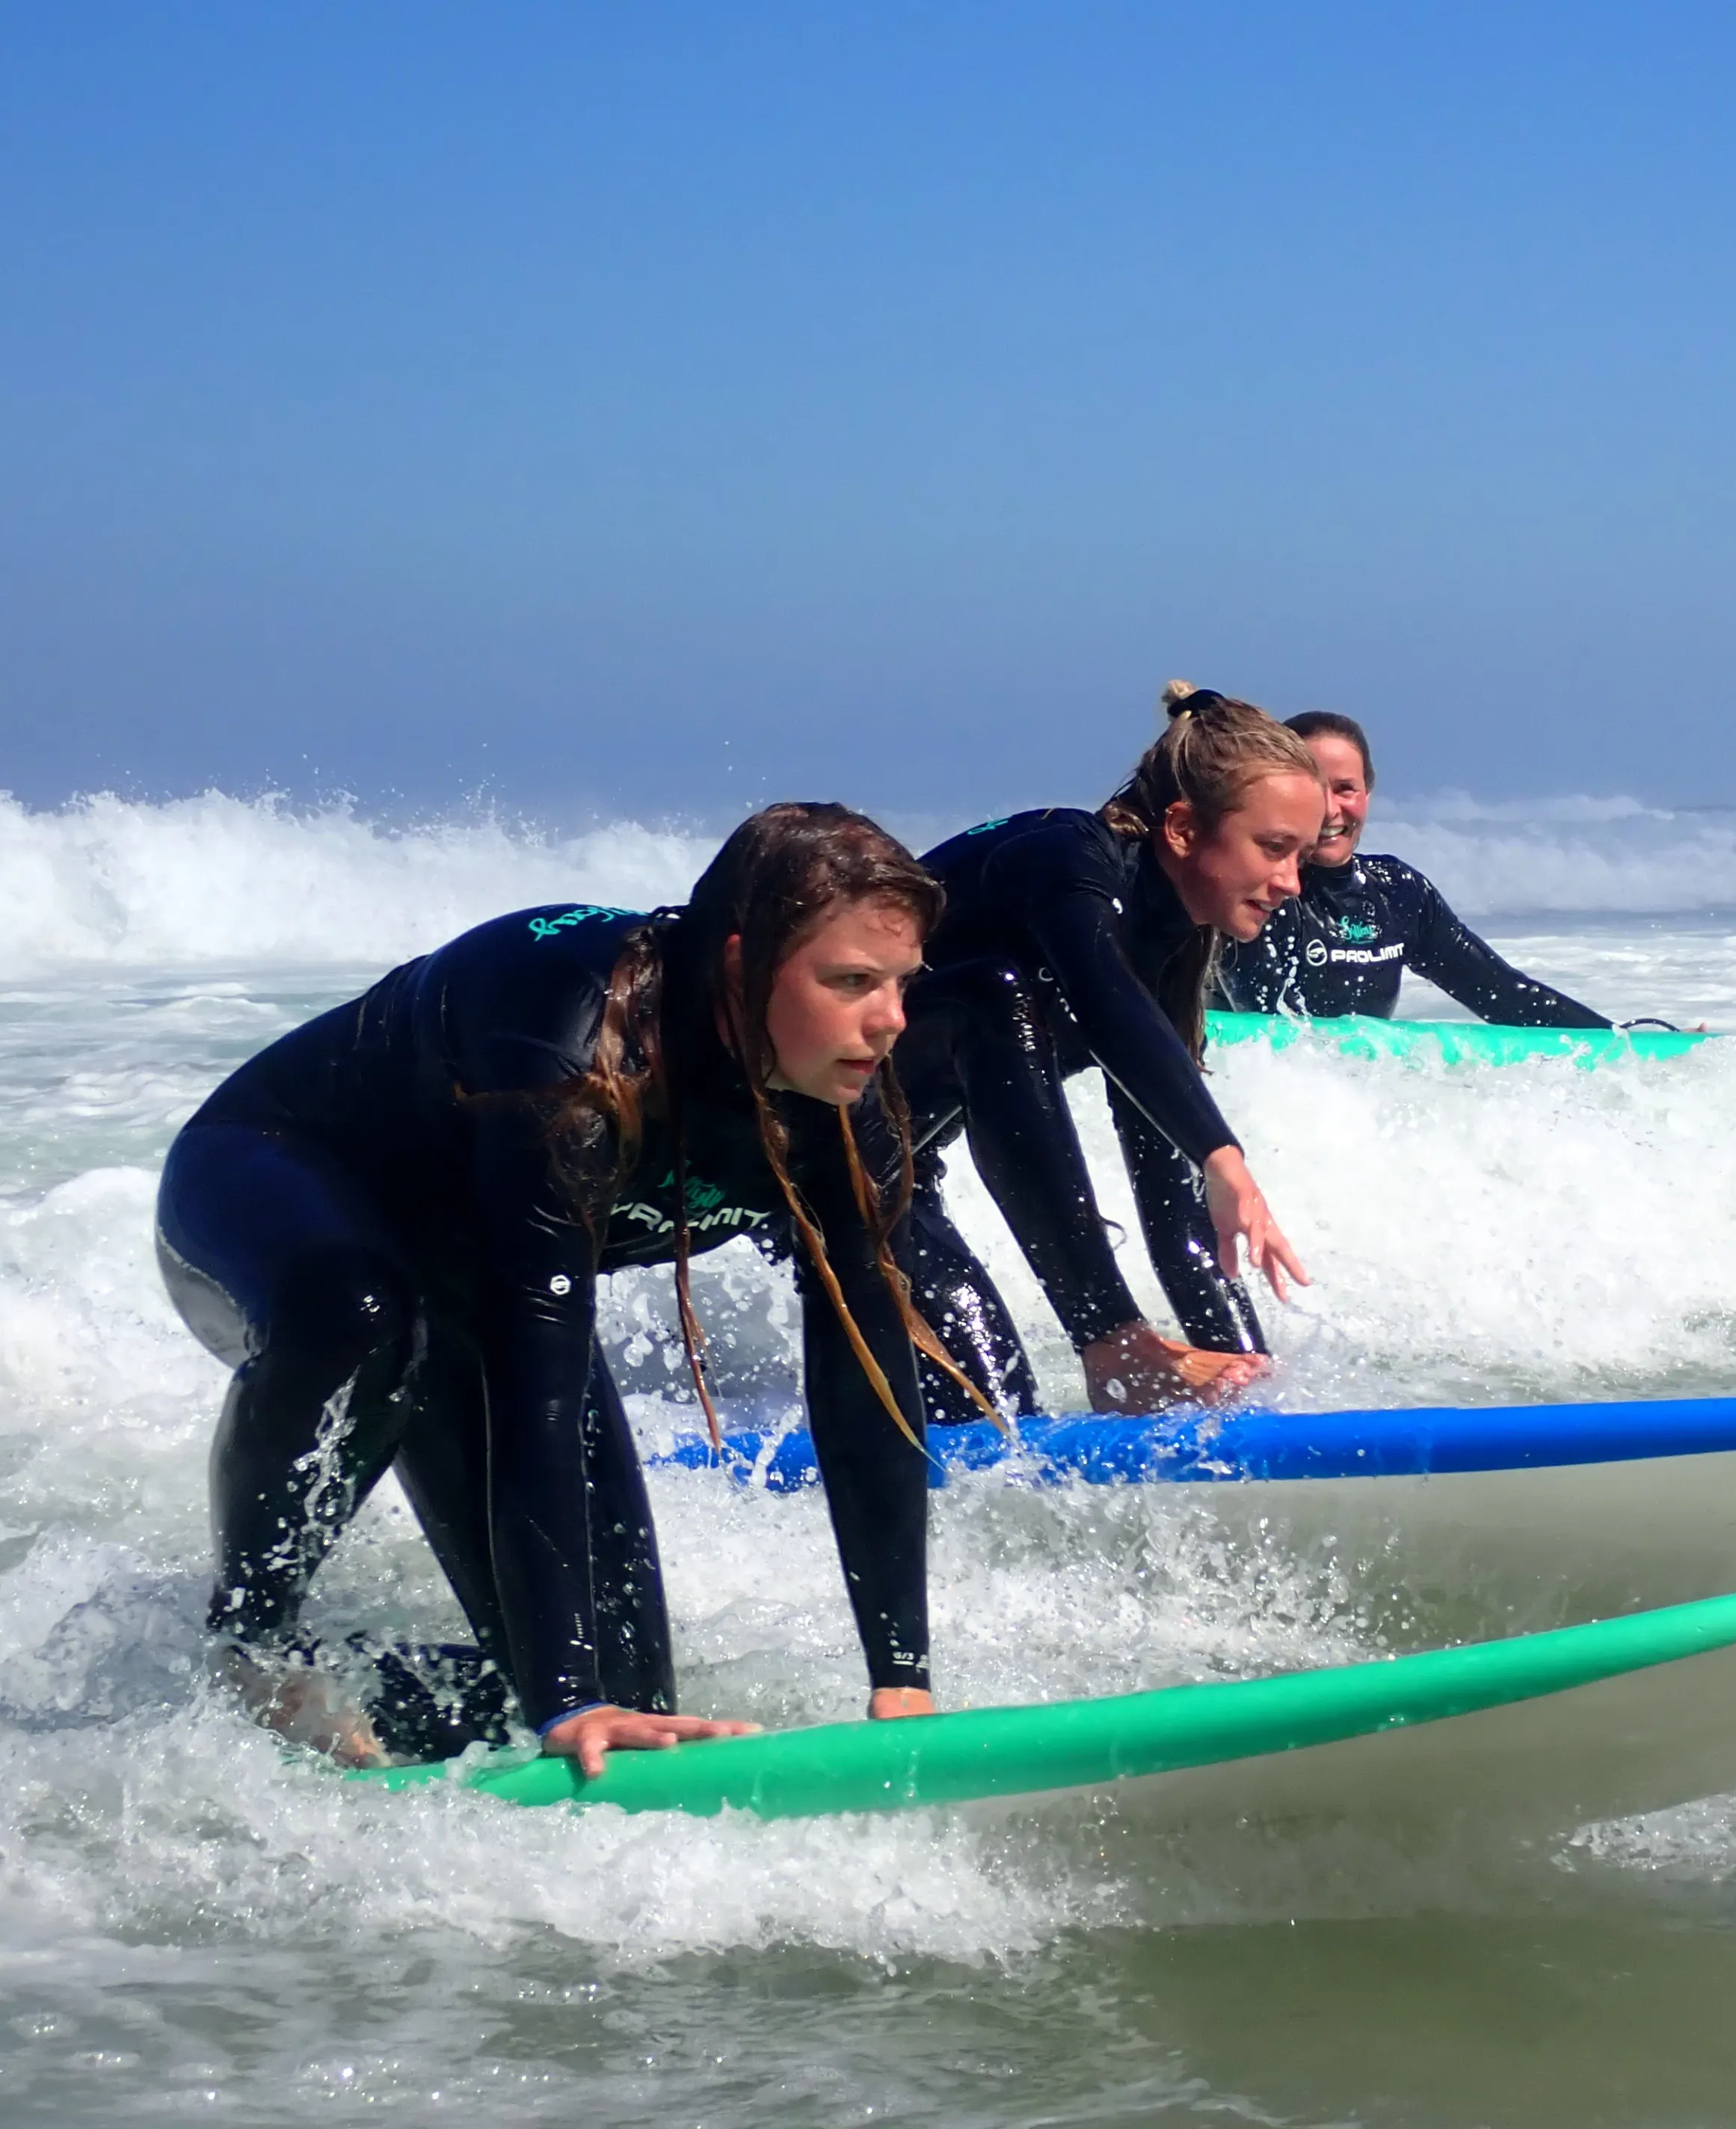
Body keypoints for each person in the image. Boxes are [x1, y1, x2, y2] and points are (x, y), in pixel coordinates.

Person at [156, 804, 962, 1772]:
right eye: (851, 982)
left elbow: (866, 1389)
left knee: (638, 1717)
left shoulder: (843, 1110)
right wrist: (567, 1701)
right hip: (274, 1175)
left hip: (469, 1263)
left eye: (901, 984)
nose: (890, 1021)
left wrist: (903, 1677)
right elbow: (533, 1387)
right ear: (743, 968)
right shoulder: (578, 1058)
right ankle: (252, 1638)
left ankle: (369, 1703)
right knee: (364, 1319)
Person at [893, 686, 1320, 1419]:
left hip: (893, 1180)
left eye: (1302, 856)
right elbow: (1101, 999)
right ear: (1183, 829)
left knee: (1004, 1414)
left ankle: (1125, 1350)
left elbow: (1168, 1197)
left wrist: (1252, 1380)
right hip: (798, 1148)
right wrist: (1224, 1155)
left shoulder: (1165, 952)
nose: (1291, 882)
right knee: (999, 993)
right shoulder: (1064, 862)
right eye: (1273, 848)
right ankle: (1114, 1341)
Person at [1213, 710, 1611, 1026]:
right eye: (1315, 790)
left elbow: (1504, 994)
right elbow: (1259, 1030)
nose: (1331, 809)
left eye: (1345, 788)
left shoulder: (1398, 893)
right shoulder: (1257, 893)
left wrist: (1621, 1043)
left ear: (1368, 791)